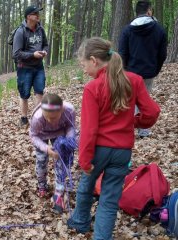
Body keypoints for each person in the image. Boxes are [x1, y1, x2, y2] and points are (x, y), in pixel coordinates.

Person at [67, 37, 160, 240]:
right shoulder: (134, 80)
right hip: (122, 152)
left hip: (98, 150)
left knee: (85, 185)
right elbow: (152, 112)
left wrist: (84, 160)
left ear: (94, 60)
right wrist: (136, 122)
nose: (84, 70)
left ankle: (80, 221)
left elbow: (90, 130)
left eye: (84, 65)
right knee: (109, 199)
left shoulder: (93, 88)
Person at [118, 0, 167, 138]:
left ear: (136, 12)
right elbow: (162, 54)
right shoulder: (159, 30)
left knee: (129, 99)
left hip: (130, 71)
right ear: (149, 11)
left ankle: (128, 127)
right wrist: (155, 69)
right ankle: (143, 130)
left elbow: (122, 53)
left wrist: (125, 69)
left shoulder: (127, 30)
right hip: (149, 71)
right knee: (144, 99)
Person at [29, 93, 76, 213]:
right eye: (47, 117)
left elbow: (71, 126)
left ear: (62, 110)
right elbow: (33, 136)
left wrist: (68, 141)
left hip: (59, 134)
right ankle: (42, 185)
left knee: (61, 161)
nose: (50, 120)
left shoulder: (69, 110)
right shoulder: (38, 118)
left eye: (54, 118)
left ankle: (58, 194)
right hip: (41, 135)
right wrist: (46, 148)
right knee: (41, 160)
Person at [13, 5, 48, 127]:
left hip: (39, 67)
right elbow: (16, 54)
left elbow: (45, 44)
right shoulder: (20, 31)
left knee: (39, 91)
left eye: (38, 13)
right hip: (24, 68)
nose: (38, 15)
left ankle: (38, 118)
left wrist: (44, 51)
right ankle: (23, 118)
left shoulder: (41, 30)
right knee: (24, 94)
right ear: (28, 17)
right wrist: (33, 54)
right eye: (35, 14)